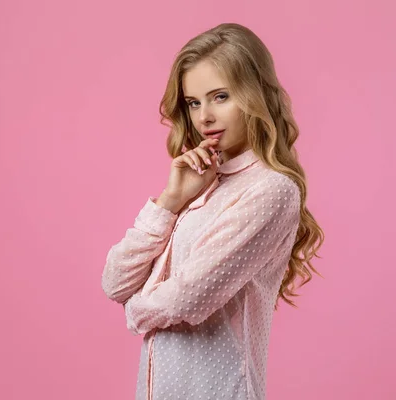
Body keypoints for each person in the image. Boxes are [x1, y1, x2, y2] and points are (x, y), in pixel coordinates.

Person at [101, 22, 324, 400]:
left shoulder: (271, 191)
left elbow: (188, 297)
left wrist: (134, 309)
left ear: (255, 95)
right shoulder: (202, 180)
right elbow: (115, 282)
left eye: (220, 96)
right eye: (193, 102)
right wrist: (171, 202)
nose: (203, 116)